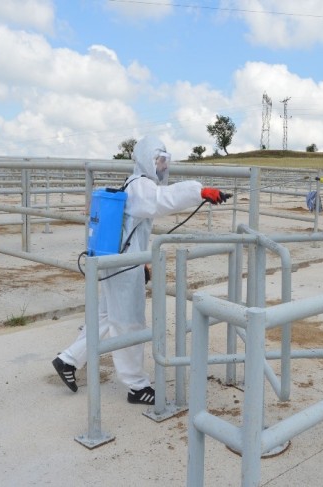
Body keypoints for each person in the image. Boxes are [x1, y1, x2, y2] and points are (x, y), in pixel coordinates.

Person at [52, 135, 229, 405]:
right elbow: (162, 201)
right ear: (147, 159)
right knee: (130, 325)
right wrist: (199, 191)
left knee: (104, 318)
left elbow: (135, 228)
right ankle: (137, 386)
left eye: (163, 161)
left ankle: (68, 359)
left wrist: (144, 260)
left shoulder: (135, 184)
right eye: (157, 160)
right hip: (124, 268)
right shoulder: (142, 186)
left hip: (118, 261)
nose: (161, 166)